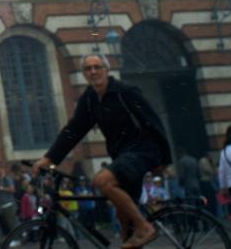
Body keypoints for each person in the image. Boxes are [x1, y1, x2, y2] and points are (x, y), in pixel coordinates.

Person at [34, 54, 171, 249]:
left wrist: (164, 159)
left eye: (97, 67)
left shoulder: (125, 92)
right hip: (123, 156)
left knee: (101, 181)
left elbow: (153, 121)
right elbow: (74, 129)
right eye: (88, 69)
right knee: (124, 221)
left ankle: (145, 227)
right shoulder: (90, 99)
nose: (93, 72)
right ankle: (134, 230)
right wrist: (49, 158)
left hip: (143, 150)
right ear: (84, 74)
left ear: (106, 70)